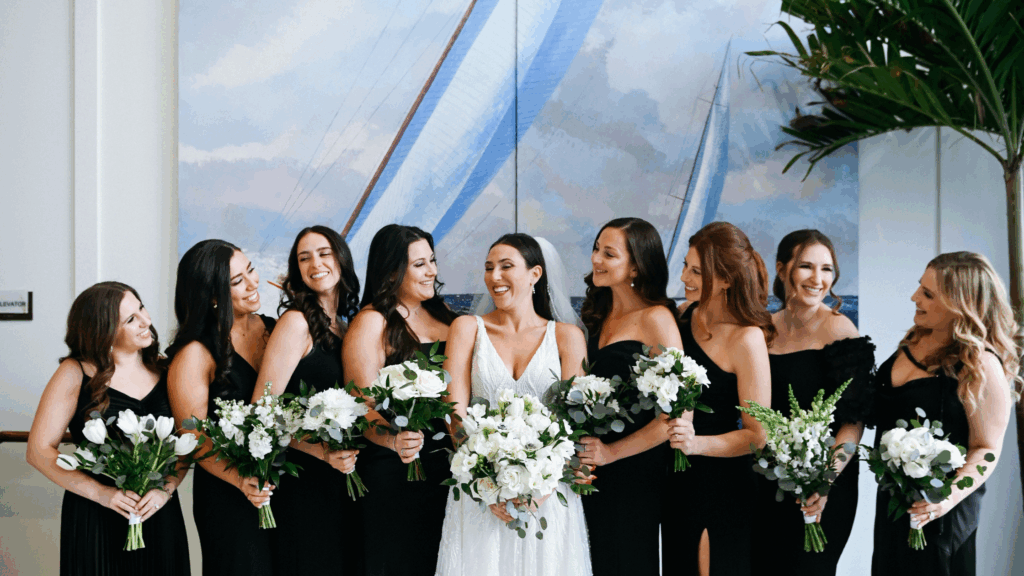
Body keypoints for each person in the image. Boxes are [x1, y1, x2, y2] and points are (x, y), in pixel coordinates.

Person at [435, 233, 591, 576]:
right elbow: (454, 413)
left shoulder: (567, 336)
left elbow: (572, 422)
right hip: (480, 489)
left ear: (535, 274)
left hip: (548, 493)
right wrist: (487, 483)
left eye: (507, 266)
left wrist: (543, 485)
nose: (494, 276)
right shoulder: (466, 328)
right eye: (489, 267)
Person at [26, 281, 190, 576]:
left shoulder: (168, 370)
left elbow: (185, 446)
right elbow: (38, 451)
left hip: (159, 514)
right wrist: (103, 494)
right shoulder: (74, 372)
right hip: (96, 516)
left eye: (141, 308)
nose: (146, 321)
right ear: (103, 331)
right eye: (130, 320)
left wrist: (166, 490)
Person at [871, 252, 1019, 576]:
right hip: (894, 506)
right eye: (918, 288)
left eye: (928, 294)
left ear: (959, 304)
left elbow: (987, 450)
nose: (914, 298)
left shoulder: (980, 365)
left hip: (941, 515)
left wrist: (944, 499)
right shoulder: (913, 340)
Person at [751, 230, 875, 575]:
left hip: (827, 487)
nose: (818, 279)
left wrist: (824, 480)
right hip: (767, 483)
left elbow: (853, 424)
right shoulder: (762, 332)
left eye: (827, 269)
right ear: (781, 268)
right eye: (806, 266)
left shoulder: (842, 331)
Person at [342, 224, 460, 576]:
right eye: (420, 264)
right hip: (395, 471)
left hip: (447, 468)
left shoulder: (446, 316)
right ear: (393, 271)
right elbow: (361, 405)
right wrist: (395, 440)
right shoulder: (371, 322)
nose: (432, 271)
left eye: (433, 261)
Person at [663, 221, 773, 576]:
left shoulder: (747, 338)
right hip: (676, 482)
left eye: (697, 271)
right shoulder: (681, 316)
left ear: (726, 279)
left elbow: (759, 435)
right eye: (685, 266)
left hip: (722, 485)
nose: (684, 277)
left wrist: (696, 445)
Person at [252, 225, 363, 574]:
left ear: (341, 259)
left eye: (324, 253)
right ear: (297, 270)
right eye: (304, 258)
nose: (315, 263)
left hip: (342, 479)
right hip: (305, 482)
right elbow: (262, 409)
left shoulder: (344, 326)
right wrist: (320, 451)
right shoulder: (295, 323)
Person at [574, 218, 682, 576]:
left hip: (636, 469)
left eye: (609, 253)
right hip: (591, 469)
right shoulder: (595, 315)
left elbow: (677, 416)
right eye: (595, 249)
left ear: (635, 265)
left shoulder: (657, 319)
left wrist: (611, 453)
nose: (596, 260)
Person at [166, 240, 277, 575]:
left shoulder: (274, 329)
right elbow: (193, 435)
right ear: (213, 297)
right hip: (231, 495)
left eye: (251, 271)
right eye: (237, 281)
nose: (253, 283)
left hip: (282, 486)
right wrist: (242, 480)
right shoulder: (194, 355)